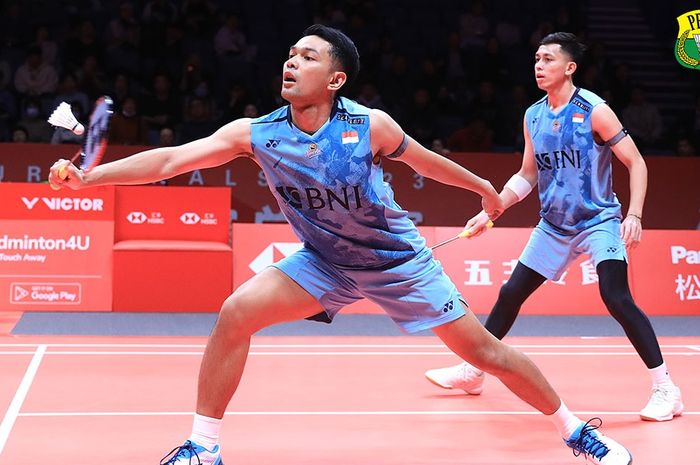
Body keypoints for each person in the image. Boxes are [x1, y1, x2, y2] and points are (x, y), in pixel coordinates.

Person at [49, 25, 632, 465]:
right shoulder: (260, 133)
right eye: (290, 54)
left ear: (335, 79)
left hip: (399, 262)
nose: (290, 61)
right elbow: (173, 159)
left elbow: (427, 161)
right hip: (324, 263)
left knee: (484, 354)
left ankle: (576, 429)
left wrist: (483, 188)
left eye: (307, 56)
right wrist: (90, 177)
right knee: (235, 315)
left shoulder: (367, 125)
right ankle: (203, 447)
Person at [424, 32, 683, 424]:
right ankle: (474, 372)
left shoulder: (594, 109)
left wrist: (635, 214)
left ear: (569, 67)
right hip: (554, 226)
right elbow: (527, 176)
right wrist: (491, 211)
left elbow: (636, 162)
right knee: (511, 293)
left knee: (616, 296)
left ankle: (666, 389)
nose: (539, 66)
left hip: (598, 221)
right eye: (536, 59)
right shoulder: (533, 115)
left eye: (547, 60)